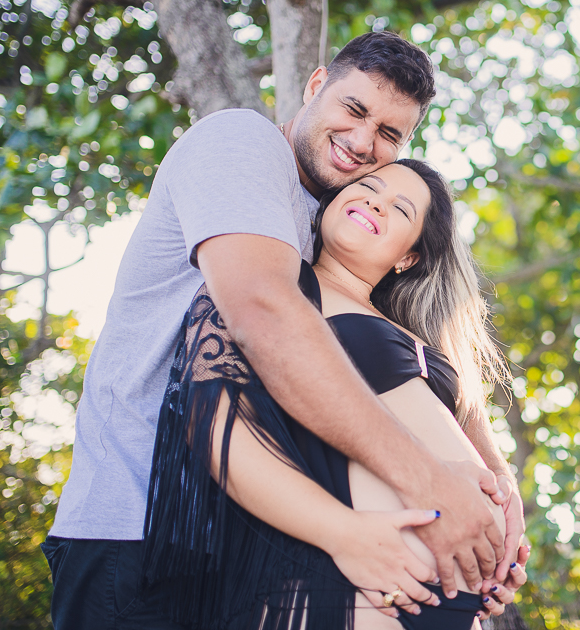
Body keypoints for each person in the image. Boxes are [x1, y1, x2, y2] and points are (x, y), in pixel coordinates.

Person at [43, 32, 526, 629]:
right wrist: (434, 487)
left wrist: (497, 494)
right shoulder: (243, 144)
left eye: (389, 135)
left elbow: (412, 356)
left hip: (249, 551)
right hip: (137, 531)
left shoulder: (332, 231)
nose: (362, 142)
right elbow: (263, 315)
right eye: (354, 110)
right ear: (316, 84)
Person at [143, 159, 525, 630]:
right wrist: (344, 535)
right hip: (346, 591)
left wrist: (501, 519)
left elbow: (464, 426)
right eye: (368, 187)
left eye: (399, 209)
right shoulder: (277, 291)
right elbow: (211, 425)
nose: (374, 202)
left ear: (409, 257)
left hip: (457, 605)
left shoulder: (413, 330)